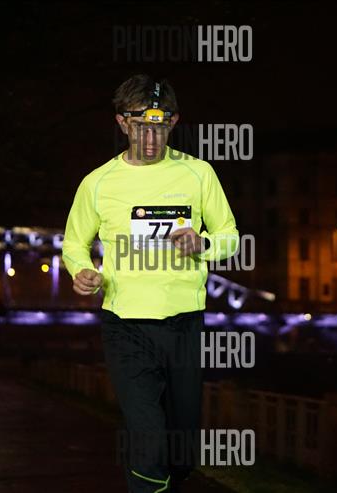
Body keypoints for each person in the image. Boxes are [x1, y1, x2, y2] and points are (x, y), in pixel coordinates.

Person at [62, 74, 239, 493]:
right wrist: (82, 272)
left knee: (180, 449)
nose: (150, 137)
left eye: (159, 127)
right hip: (125, 325)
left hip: (184, 323)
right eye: (140, 126)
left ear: (173, 122)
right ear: (122, 123)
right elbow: (74, 244)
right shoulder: (97, 183)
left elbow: (230, 237)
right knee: (147, 437)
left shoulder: (198, 173)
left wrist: (202, 243)